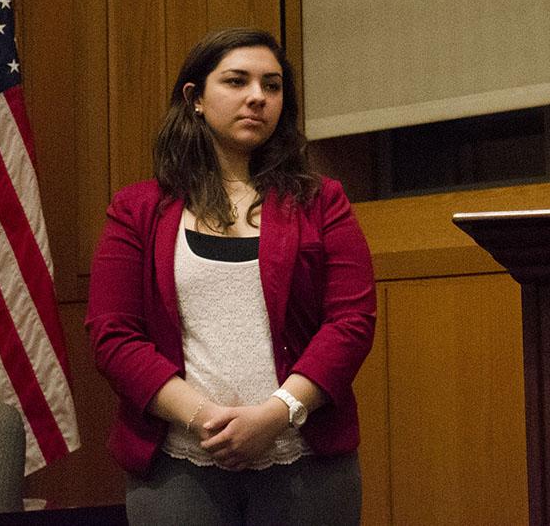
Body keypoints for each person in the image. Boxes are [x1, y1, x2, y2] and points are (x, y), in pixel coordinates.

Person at [86, 28, 376, 525]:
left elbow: (351, 321)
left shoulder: (322, 200)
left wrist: (277, 413)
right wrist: (202, 418)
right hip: (178, 466)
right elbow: (113, 335)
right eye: (237, 81)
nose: (258, 97)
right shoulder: (137, 210)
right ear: (194, 98)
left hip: (305, 462)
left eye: (273, 85)